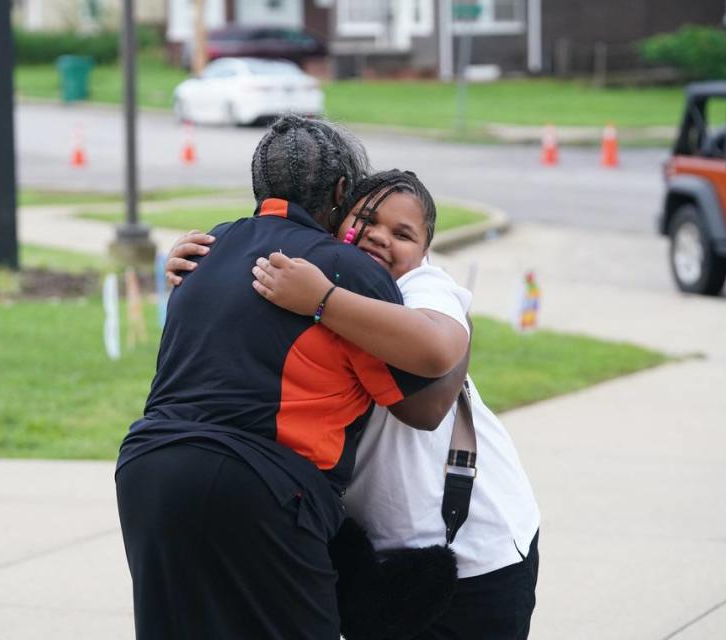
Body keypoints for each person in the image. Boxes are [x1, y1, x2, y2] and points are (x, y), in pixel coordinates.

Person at [115, 117, 470, 640]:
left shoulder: (207, 247)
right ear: (342, 192)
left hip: (146, 469)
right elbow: (424, 405)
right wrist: (460, 324)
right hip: (261, 485)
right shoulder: (346, 270)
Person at [169, 169, 541, 639]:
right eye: (367, 219)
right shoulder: (310, 275)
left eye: (403, 234)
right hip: (377, 565)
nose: (381, 237)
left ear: (424, 253)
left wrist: (322, 300)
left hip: (476, 553)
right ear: (336, 223)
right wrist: (195, 261)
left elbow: (425, 408)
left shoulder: (423, 289)